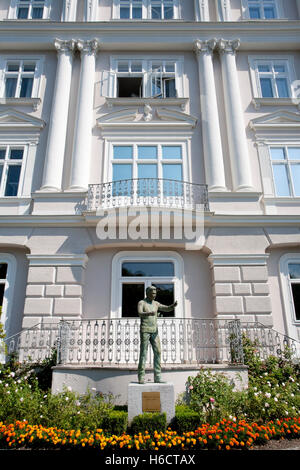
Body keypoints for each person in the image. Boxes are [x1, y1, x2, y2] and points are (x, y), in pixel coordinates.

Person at [137, 286, 177, 384]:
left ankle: (158, 376)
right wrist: (149, 313)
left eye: (155, 293)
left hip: (155, 331)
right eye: (152, 293)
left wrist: (172, 306)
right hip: (145, 330)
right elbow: (140, 313)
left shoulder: (156, 303)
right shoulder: (142, 302)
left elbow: (166, 308)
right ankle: (141, 376)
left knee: (158, 352)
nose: (154, 295)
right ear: (148, 293)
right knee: (143, 353)